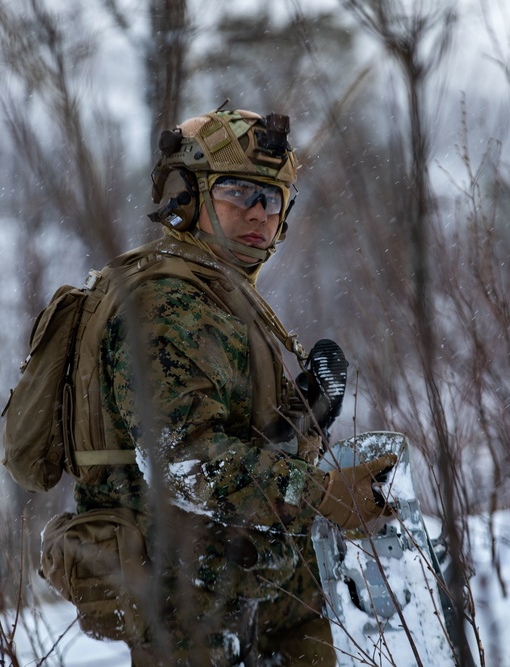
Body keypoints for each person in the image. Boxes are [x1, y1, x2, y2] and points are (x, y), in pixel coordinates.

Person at [70, 108, 397, 666]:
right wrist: (319, 493)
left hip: (265, 590)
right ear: (189, 198)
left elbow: (232, 431)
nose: (256, 213)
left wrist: (303, 419)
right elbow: (184, 461)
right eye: (236, 192)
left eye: (270, 199)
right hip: (190, 607)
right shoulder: (163, 305)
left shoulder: (219, 295)